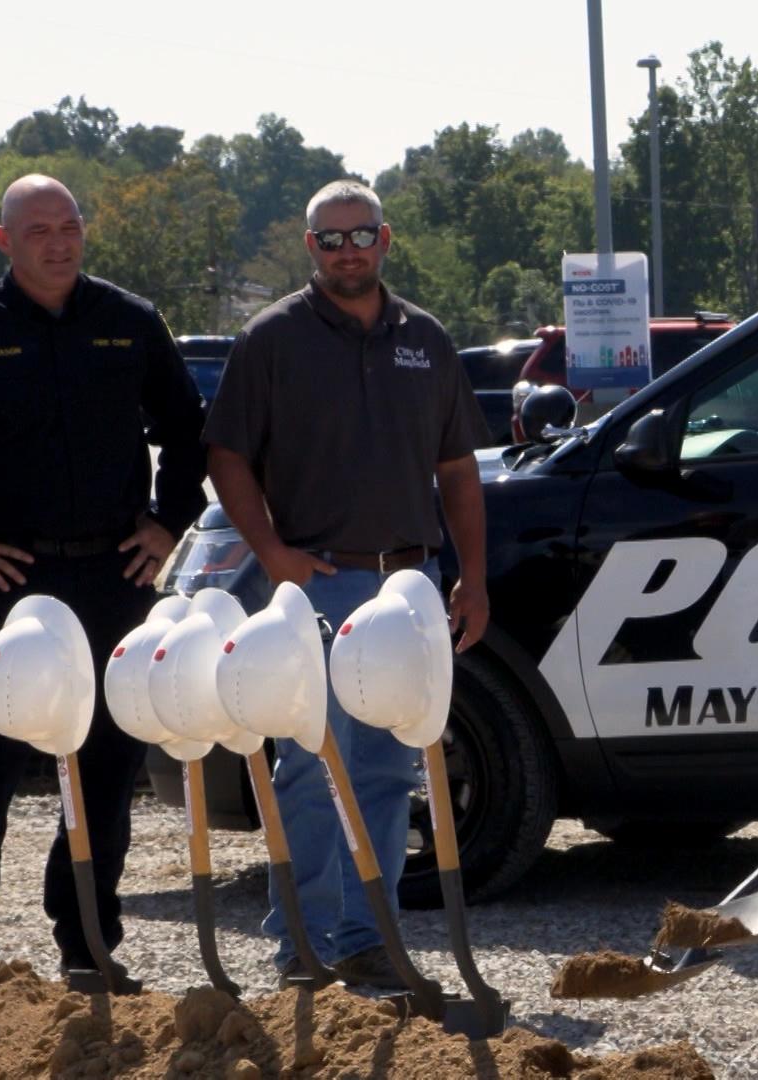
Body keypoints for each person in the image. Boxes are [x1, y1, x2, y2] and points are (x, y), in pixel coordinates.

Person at [203, 179, 490, 990]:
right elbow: (225, 454)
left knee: (391, 768)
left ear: (386, 240)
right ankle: (302, 946)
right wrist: (273, 551)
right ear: (310, 250)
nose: (347, 250)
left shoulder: (426, 341)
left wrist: (471, 579)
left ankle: (372, 944)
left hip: (408, 586)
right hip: (315, 585)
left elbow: (459, 468)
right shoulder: (272, 339)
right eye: (330, 240)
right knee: (308, 763)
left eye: (360, 235)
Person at [0, 174, 207, 977]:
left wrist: (168, 522)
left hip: (112, 578)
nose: (57, 243)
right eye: (37, 231)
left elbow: (191, 432)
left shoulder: (128, 322)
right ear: (4, 241)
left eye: (69, 226)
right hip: (2, 585)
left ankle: (89, 946)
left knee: (104, 768)